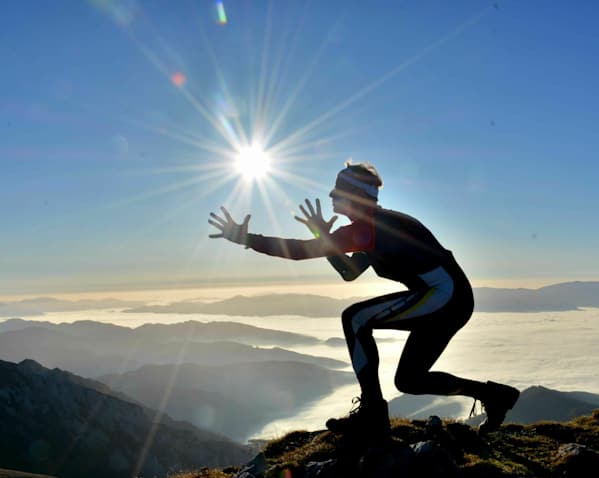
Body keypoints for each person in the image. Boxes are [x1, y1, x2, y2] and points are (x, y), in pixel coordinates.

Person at [209, 161, 519, 439]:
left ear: (354, 196)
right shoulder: (378, 225)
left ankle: (372, 414)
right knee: (410, 381)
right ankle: (494, 396)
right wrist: (323, 238)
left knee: (355, 318)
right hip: (451, 299)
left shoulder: (370, 227)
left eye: (338, 191)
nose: (331, 196)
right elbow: (350, 271)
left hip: (445, 297)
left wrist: (248, 239)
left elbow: (302, 252)